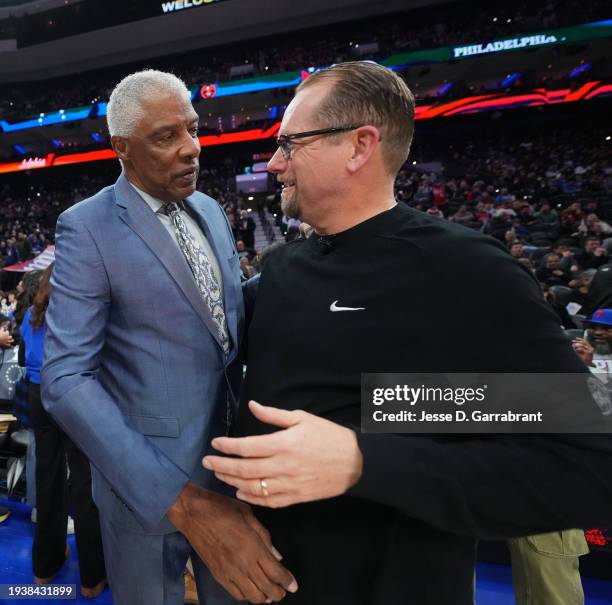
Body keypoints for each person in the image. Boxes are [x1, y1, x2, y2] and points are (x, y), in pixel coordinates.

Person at [203, 61, 612, 605]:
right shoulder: (278, 274)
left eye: (290, 143)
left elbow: (587, 466)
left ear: (358, 146)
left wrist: (364, 460)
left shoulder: (465, 269)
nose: (275, 162)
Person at [41, 70, 295, 605]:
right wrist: (178, 499)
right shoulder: (86, 228)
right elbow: (65, 380)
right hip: (148, 492)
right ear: (123, 149)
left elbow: (219, 319)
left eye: (193, 129)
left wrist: (297, 272)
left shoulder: (207, 208)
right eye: (166, 137)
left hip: (232, 468)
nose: (191, 150)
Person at [20, 263, 107, 597]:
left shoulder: (32, 314)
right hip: (73, 393)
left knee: (48, 478)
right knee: (84, 484)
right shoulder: (79, 313)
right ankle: (91, 577)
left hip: (38, 395)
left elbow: (28, 353)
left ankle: (45, 566)